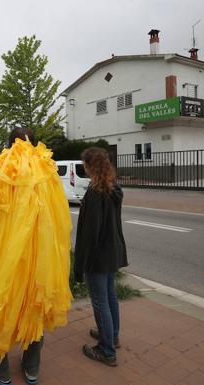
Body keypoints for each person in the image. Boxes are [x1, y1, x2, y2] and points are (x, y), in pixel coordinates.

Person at [0, 127, 44, 385]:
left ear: (9, 143)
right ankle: (31, 369)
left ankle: (0, 371)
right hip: (38, 255)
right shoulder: (45, 170)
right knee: (34, 306)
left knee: (0, 307)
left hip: (4, 256)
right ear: (32, 143)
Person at [73, 147, 128, 367]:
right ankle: (112, 336)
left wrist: (82, 261)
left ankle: (106, 351)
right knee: (110, 295)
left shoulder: (96, 193)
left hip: (97, 255)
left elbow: (90, 233)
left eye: (84, 164)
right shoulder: (113, 188)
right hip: (111, 251)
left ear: (90, 166)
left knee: (100, 301)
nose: (83, 168)